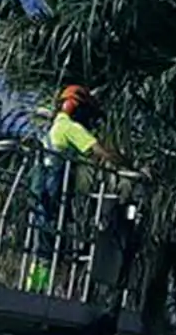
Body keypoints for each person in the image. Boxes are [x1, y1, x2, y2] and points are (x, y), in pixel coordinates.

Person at [29, 85, 125, 292]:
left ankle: (35, 285)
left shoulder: (54, 128)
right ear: (73, 106)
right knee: (49, 239)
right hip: (52, 186)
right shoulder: (70, 128)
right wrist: (125, 164)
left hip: (44, 187)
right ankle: (36, 286)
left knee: (45, 240)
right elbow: (97, 151)